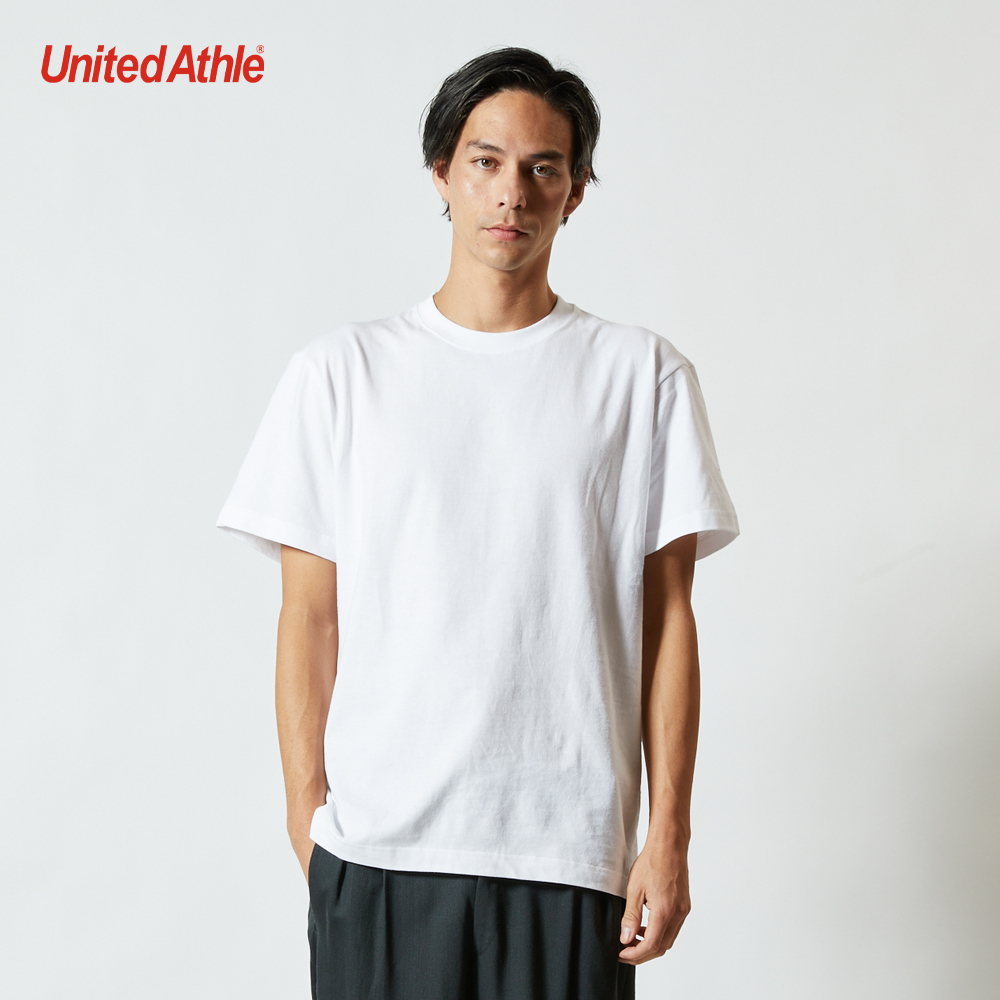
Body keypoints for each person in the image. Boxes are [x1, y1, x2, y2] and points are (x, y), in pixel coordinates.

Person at [217, 45, 739, 1000]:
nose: (512, 193)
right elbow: (310, 617)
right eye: (486, 161)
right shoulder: (342, 375)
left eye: (544, 168)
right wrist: (309, 821)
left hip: (568, 854)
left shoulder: (641, 377)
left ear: (576, 191)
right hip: (380, 853)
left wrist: (668, 835)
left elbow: (669, 621)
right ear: (442, 174)